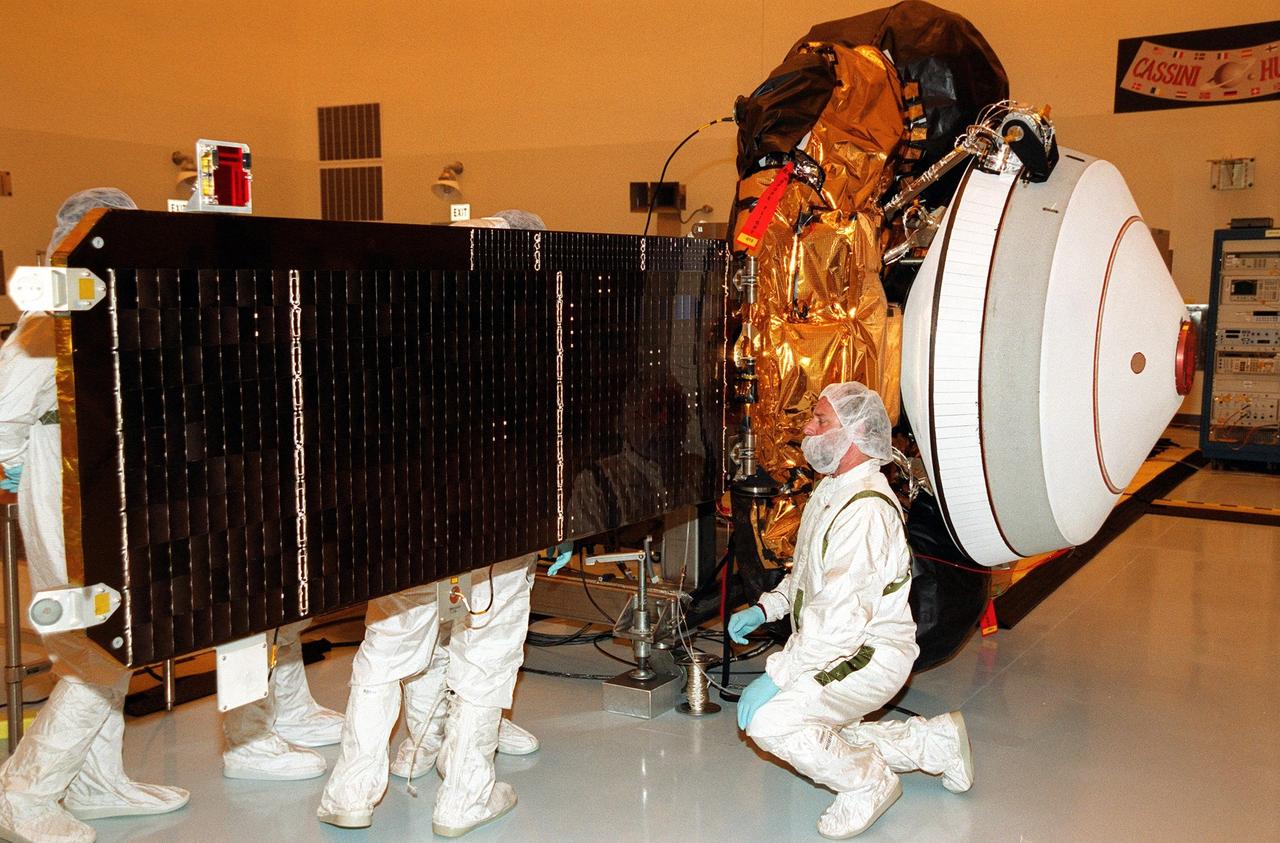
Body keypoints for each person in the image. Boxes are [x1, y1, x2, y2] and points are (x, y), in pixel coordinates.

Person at [0, 189, 344, 843]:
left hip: (118, 492)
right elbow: (3, 417)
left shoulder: (112, 299)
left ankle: (96, 784)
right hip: (67, 495)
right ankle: (24, 789)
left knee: (120, 645)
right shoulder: (51, 309)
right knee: (96, 651)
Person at [318, 208, 548, 837]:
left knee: (387, 650)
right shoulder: (527, 328)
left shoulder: (403, 320)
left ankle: (352, 791)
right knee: (487, 651)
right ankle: (463, 796)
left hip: (408, 515)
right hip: (498, 520)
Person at [727, 381, 973, 840]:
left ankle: (868, 784)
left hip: (865, 653)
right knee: (823, 726)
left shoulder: (864, 512)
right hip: (839, 644)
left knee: (773, 718)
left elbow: (838, 623)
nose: (808, 427)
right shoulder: (833, 489)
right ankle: (932, 744)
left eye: (821, 421)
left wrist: (779, 676)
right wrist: (767, 608)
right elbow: (806, 577)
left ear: (856, 433)